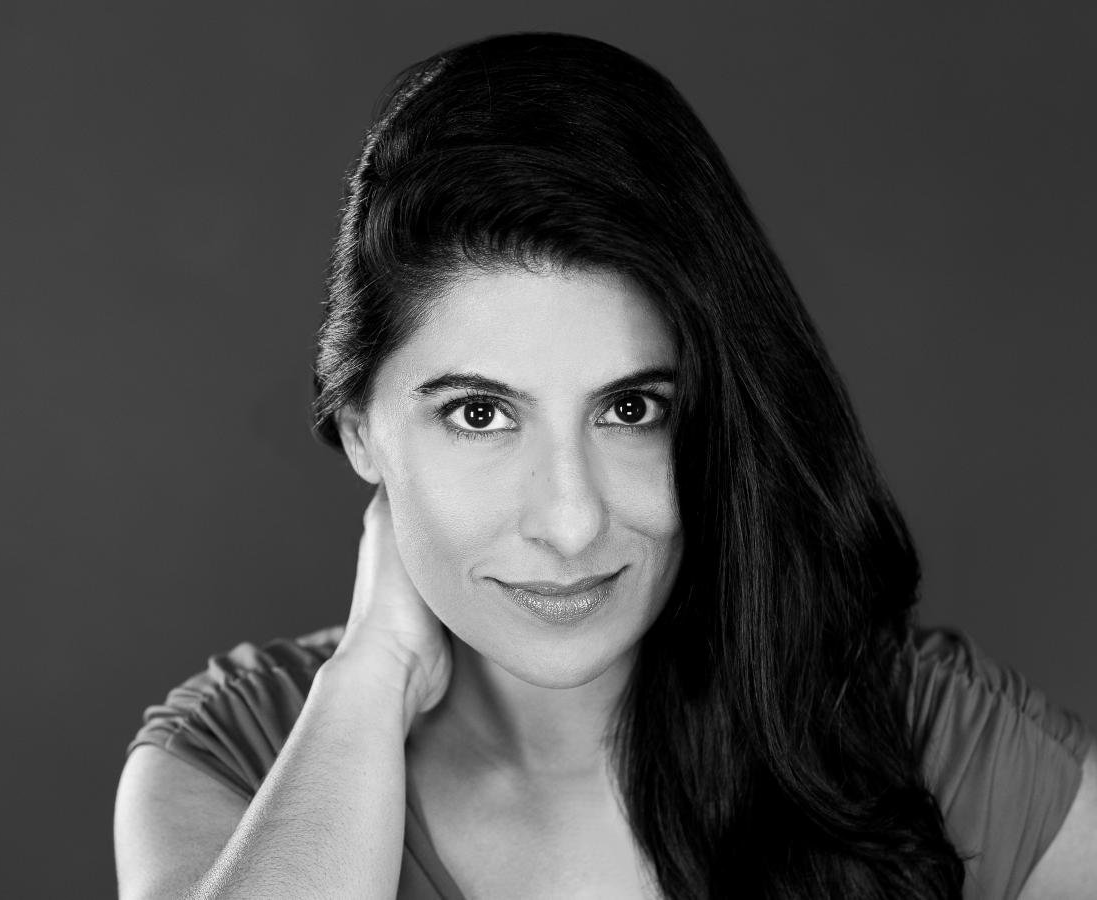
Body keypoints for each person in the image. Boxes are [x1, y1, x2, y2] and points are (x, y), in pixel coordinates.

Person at [112, 32, 1096, 900]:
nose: (571, 519)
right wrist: (373, 675)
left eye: (630, 409)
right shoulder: (234, 758)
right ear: (362, 428)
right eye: (480, 413)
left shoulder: (930, 739)